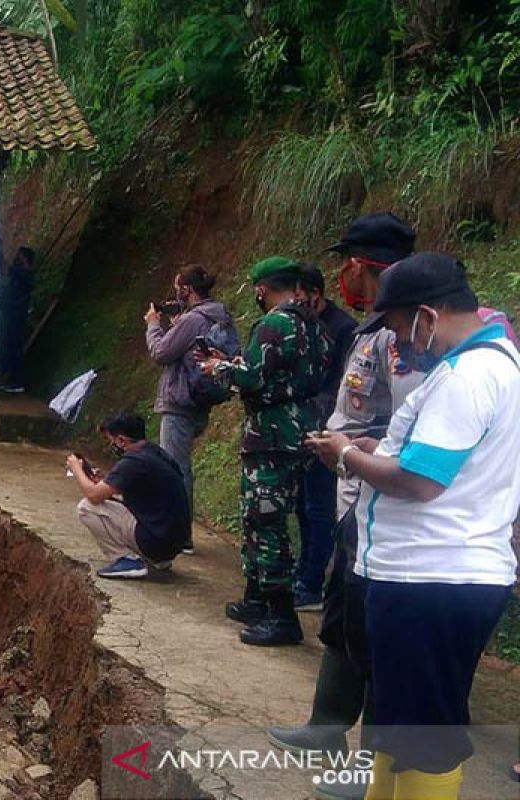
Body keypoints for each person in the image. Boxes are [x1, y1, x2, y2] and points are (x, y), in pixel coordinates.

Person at [307, 252, 520, 800]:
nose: (400, 342)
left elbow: (422, 482)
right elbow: (442, 459)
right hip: (429, 575)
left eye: (401, 327)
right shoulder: (490, 365)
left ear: (428, 314)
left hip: (434, 577)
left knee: (424, 736)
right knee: (400, 729)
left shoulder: (468, 375)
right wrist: (383, 448)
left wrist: (347, 457)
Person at [266, 213, 420, 800]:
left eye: (347, 263)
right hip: (355, 498)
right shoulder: (375, 329)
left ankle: (371, 767)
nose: (340, 276)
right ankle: (327, 725)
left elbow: (406, 430)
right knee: (343, 620)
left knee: (377, 635)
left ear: (365, 265)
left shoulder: (405, 338)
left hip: (383, 501)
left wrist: (351, 448)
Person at [200, 257, 330, 646]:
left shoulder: (274, 324)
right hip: (300, 429)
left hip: (271, 436)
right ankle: (256, 597)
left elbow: (254, 378)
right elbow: (295, 374)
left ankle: (281, 614)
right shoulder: (315, 326)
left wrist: (218, 368)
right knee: (263, 516)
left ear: (261, 289)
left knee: (265, 521)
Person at [144, 264, 234, 553]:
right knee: (178, 466)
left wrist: (153, 325)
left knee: (175, 469)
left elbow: (161, 352)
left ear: (187, 289)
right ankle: (178, 532)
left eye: (177, 288)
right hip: (199, 400)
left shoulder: (194, 319)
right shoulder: (217, 315)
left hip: (180, 401)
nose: (175, 294)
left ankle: (179, 535)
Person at [293, 264, 357, 611]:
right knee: (302, 506)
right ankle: (303, 572)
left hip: (328, 425)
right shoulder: (300, 325)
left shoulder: (344, 328)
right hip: (303, 423)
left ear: (315, 295)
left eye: (300, 297)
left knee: (318, 506)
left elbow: (343, 383)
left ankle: (312, 582)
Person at [67, 412, 191, 579]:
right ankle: (157, 559)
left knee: (87, 508)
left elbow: (93, 495)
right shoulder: (155, 453)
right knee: (112, 500)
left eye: (111, 441)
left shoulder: (134, 462)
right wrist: (104, 481)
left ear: (121, 441)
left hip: (155, 542)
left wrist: (76, 469)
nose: (112, 446)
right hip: (171, 543)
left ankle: (126, 560)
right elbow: (129, 491)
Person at [0, 246, 35, 394]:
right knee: (9, 349)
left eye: (19, 256)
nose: (16, 259)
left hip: (17, 319)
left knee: (15, 350)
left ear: (25, 258)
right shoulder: (21, 275)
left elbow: (6, 269)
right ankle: (10, 380)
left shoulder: (25, 274)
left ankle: (16, 382)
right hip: (13, 318)